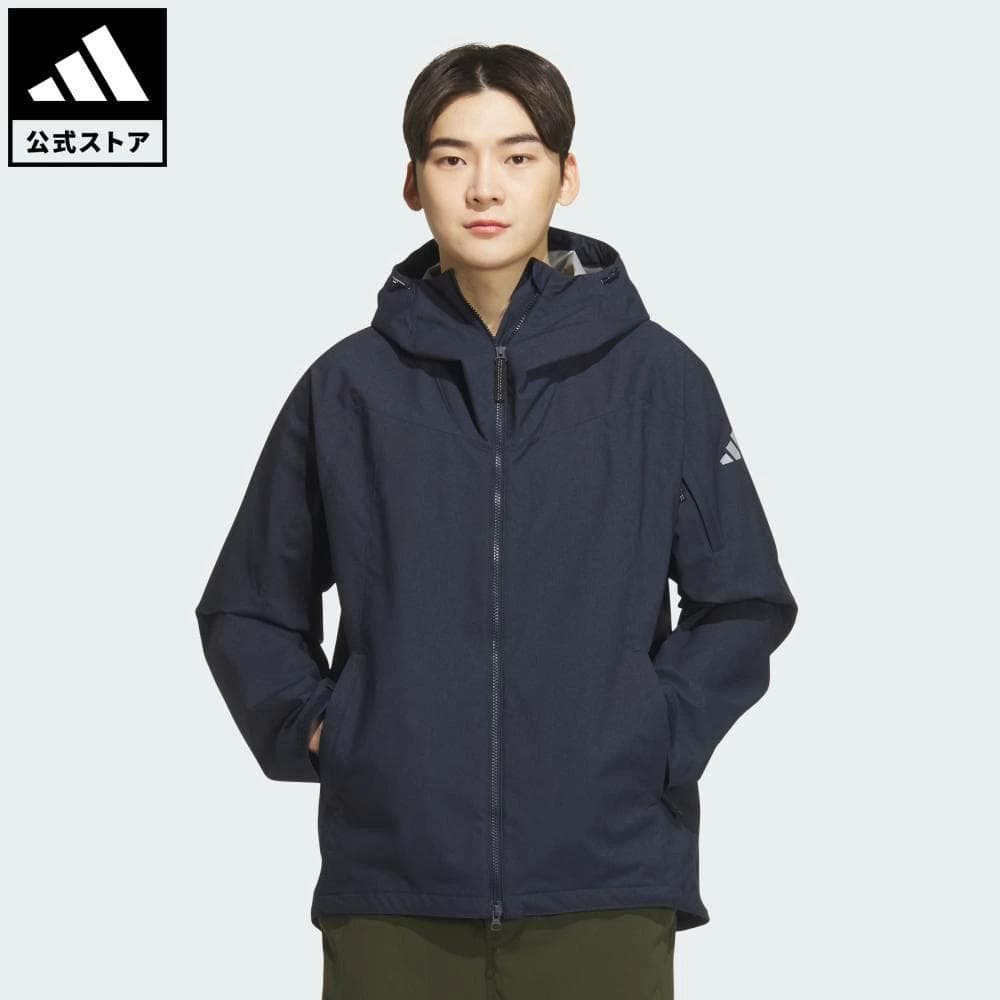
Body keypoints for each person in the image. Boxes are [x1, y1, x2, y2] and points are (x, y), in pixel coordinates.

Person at [195, 42, 798, 1000]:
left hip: (607, 884)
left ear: (567, 175)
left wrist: (649, 734)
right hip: (393, 890)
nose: (485, 187)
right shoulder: (347, 388)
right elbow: (247, 607)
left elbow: (743, 600)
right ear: (412, 182)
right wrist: (331, 733)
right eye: (452, 158)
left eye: (518, 156)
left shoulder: (658, 380)